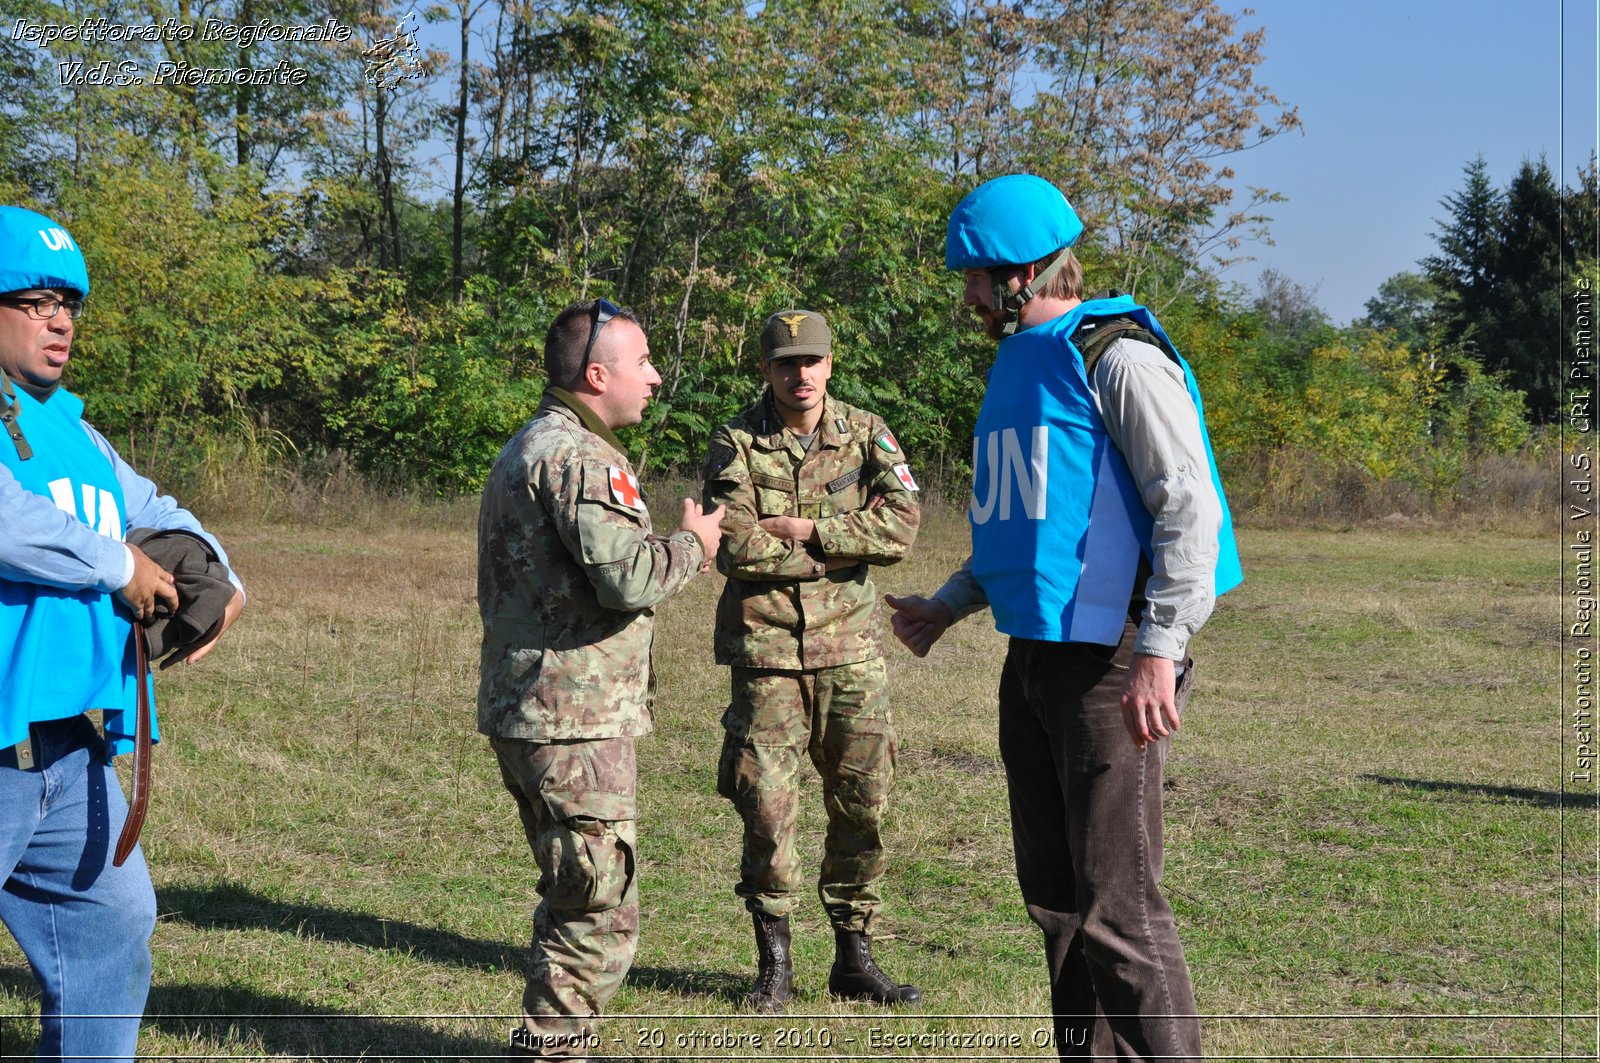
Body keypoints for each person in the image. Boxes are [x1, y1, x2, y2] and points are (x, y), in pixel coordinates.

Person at [884, 175, 1244, 1060]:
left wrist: (1162, 646)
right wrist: (950, 603)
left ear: (1027, 269)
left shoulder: (1115, 356)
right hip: (1035, 660)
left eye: (976, 276)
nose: (967, 295)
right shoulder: (1020, 364)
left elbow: (1188, 505)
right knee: (1056, 901)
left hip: (1111, 663)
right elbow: (1029, 529)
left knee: (1119, 910)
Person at [0, 205, 246, 1062]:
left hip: (68, 752)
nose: (59, 319)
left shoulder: (73, 427)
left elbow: (157, 510)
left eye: (68, 302)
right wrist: (116, 565)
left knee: (112, 921)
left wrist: (223, 576)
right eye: (33, 300)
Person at [477, 299, 725, 1059]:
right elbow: (628, 574)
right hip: (571, 720)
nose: (654, 376)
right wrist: (695, 542)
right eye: (643, 360)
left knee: (577, 891)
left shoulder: (533, 444)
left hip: (536, 711)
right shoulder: (583, 457)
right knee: (597, 909)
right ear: (596, 374)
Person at [702, 308, 922, 1012]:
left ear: (830, 364)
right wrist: (836, 549)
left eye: (812, 361)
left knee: (864, 803)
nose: (800, 375)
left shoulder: (864, 431)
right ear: (765, 369)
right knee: (766, 807)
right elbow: (732, 543)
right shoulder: (736, 438)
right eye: (785, 363)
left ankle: (855, 958)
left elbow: (903, 525)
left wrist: (809, 530)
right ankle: (775, 965)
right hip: (766, 657)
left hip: (851, 654)